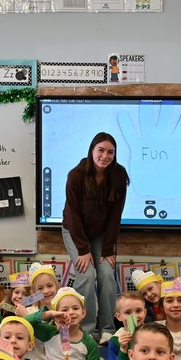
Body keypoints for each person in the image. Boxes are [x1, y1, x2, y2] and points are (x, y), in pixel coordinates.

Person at [61, 132, 129, 341]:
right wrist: (83, 250)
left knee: (107, 275)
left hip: (101, 235)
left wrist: (108, 250)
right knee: (86, 275)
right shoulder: (76, 175)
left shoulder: (118, 175)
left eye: (110, 152)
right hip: (74, 231)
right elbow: (72, 214)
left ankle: (107, 328)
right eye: (101, 150)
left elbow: (115, 216)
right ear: (92, 151)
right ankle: (87, 329)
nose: (105, 156)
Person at [0, 270, 32, 339]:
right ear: (11, 294)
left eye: (25, 294)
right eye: (16, 292)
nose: (19, 296)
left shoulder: (33, 311)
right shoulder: (5, 312)